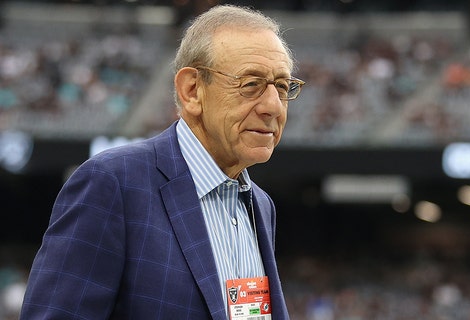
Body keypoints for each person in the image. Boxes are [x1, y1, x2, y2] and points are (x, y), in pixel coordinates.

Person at [20, 4, 304, 320]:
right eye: (251, 83)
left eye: (281, 86)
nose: (273, 107)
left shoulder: (260, 205)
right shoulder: (112, 183)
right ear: (192, 90)